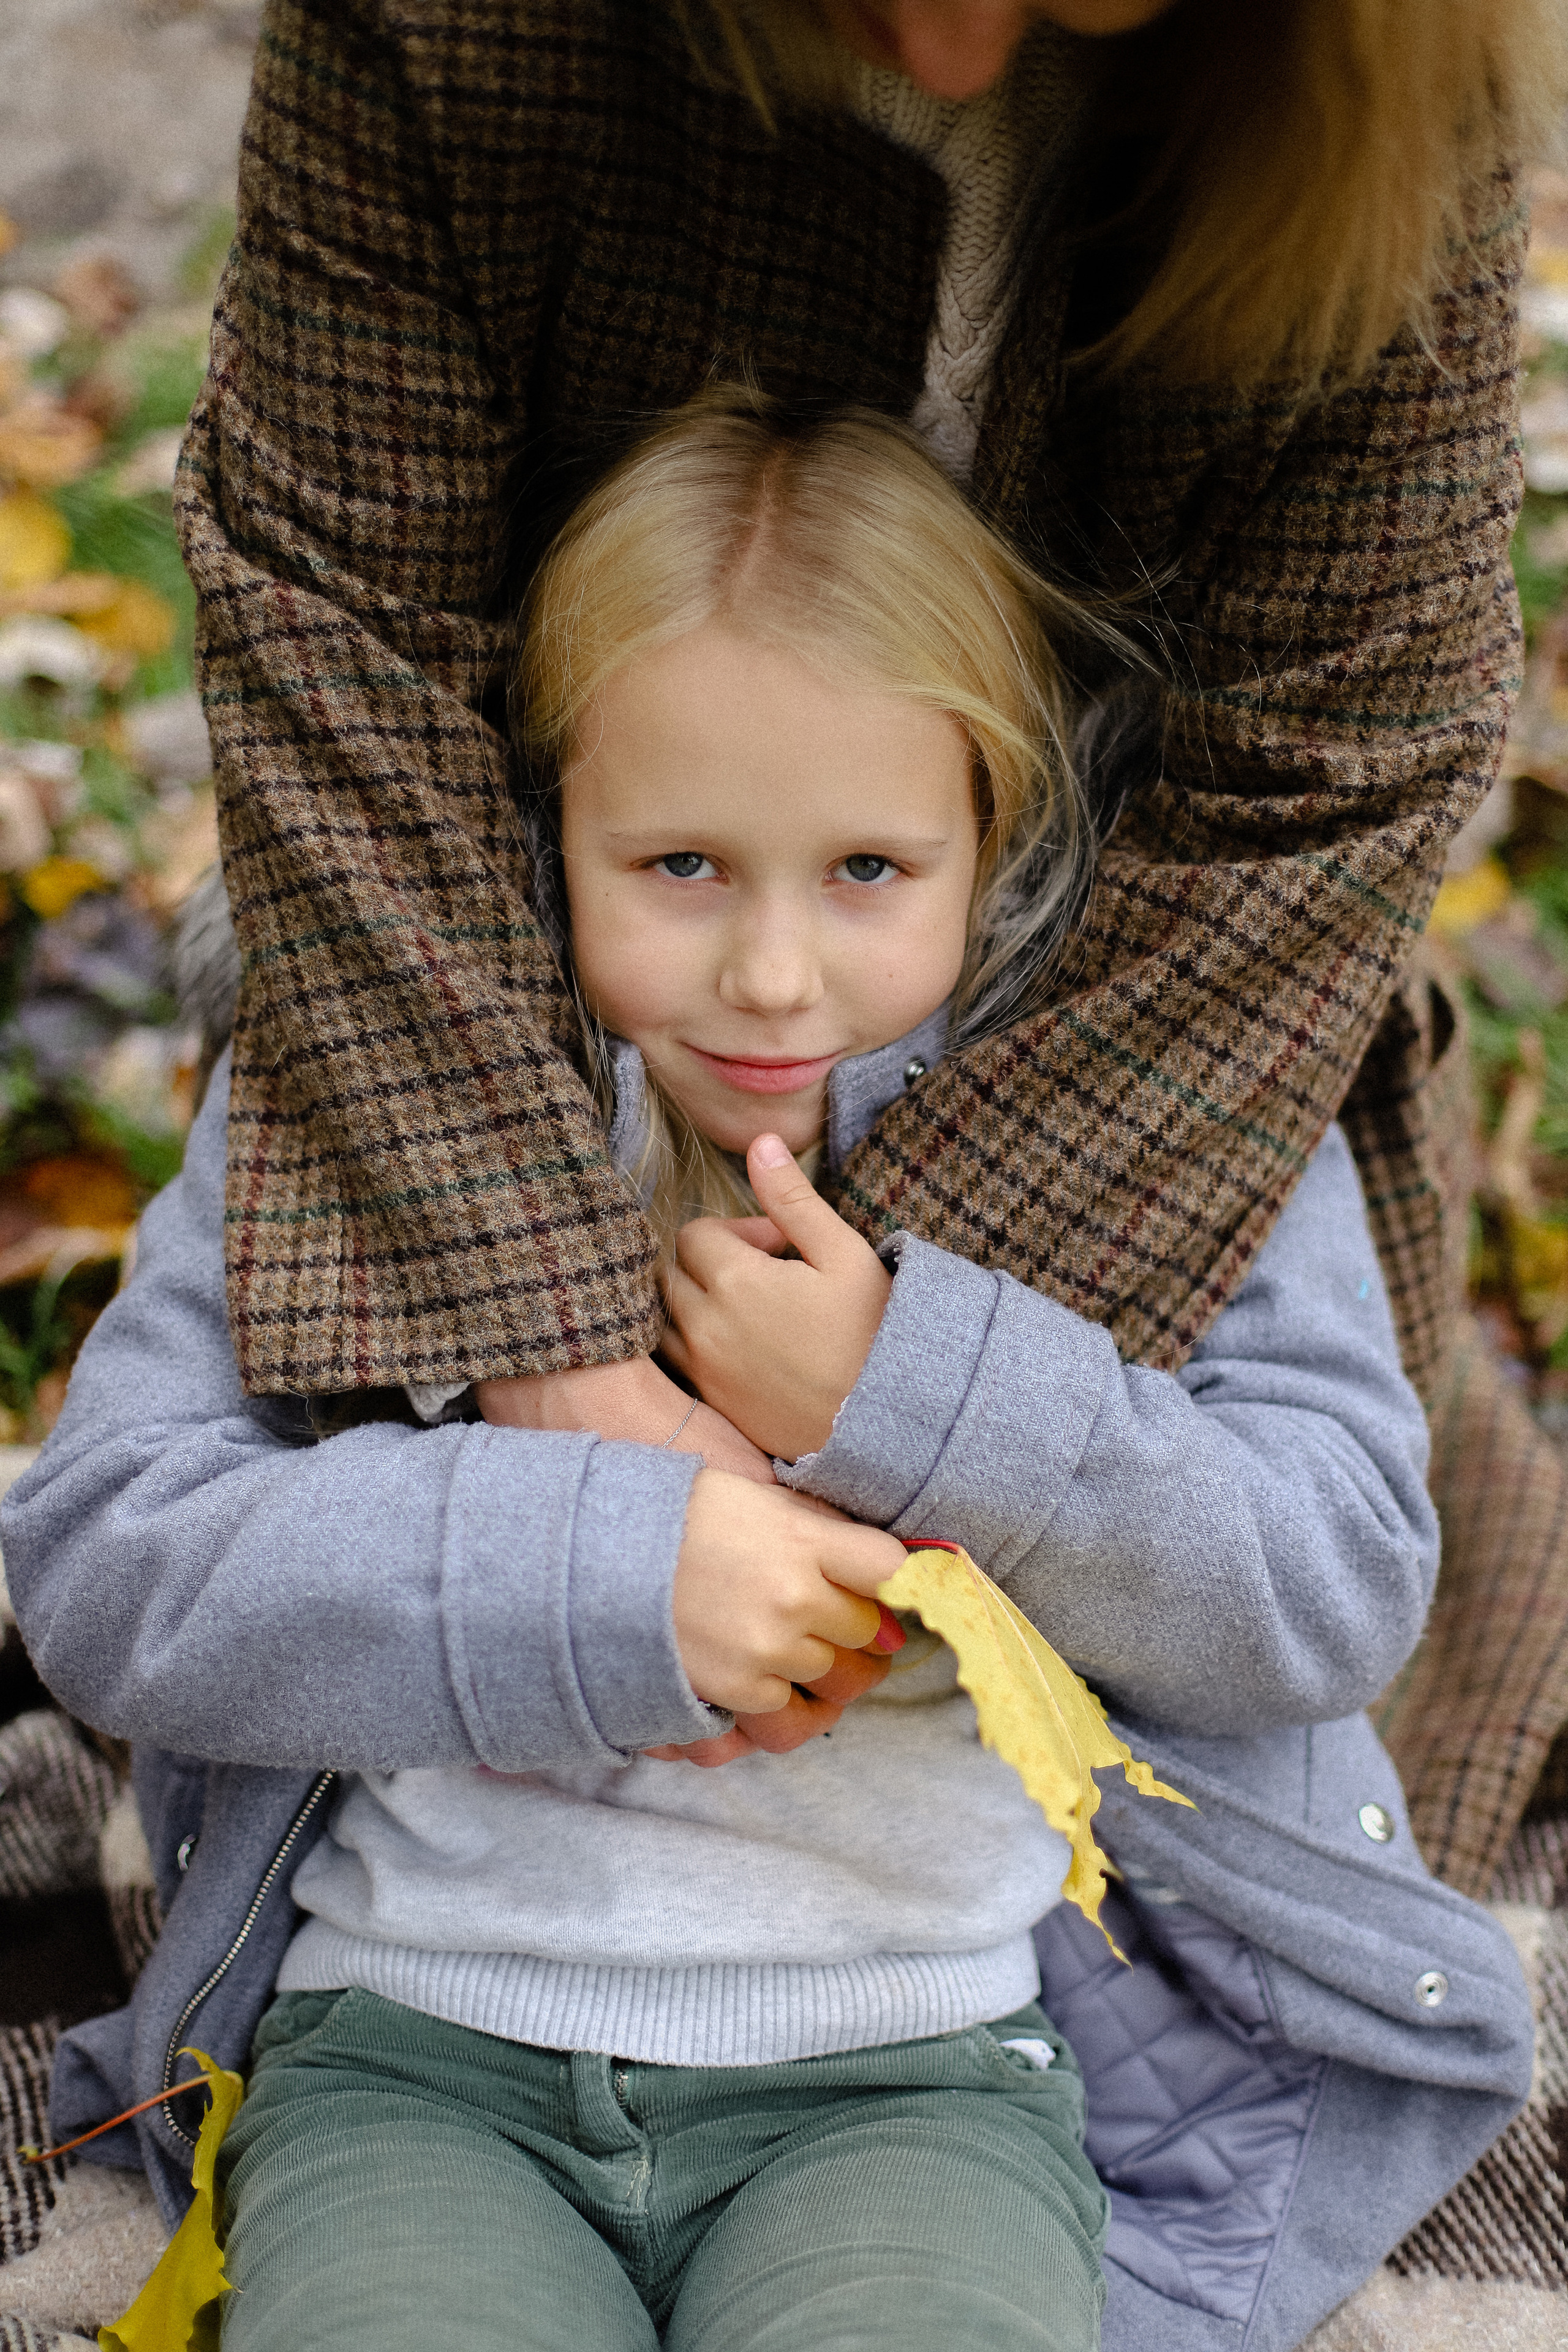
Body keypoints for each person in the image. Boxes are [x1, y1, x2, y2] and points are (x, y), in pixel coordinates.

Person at [6, 394, 1532, 2352]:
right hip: (415, 2056)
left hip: (916, 2073)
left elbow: (1324, 1589)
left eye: (872, 870)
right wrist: (604, 1571)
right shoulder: (381, 1096)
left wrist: (913, 1395)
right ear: (542, 826)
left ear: (999, 831)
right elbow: (112, 1565)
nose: (777, 976)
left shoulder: (1164, 1117)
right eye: (685, 865)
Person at [176, 0, 1568, 1894]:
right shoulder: (453, 31)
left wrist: (902, 1382)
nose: (950, 46)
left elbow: (1329, 770)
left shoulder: (1401, 88)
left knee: (1269, 1783)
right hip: (486, 983)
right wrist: (563, 1394)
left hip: (1142, 1061)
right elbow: (333, 618)